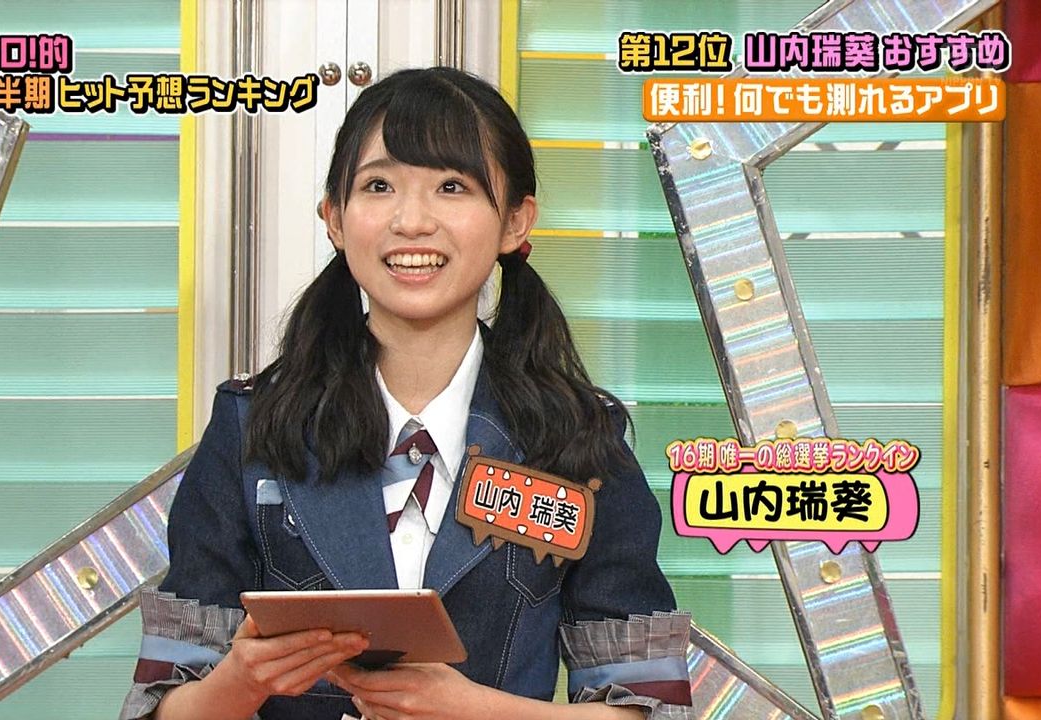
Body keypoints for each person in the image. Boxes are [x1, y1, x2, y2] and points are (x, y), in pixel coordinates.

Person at [120, 66, 692, 720]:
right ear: (334, 218)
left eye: (451, 187)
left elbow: (651, 705)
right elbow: (158, 705)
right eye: (379, 186)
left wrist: (475, 712)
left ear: (515, 221)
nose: (412, 221)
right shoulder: (253, 425)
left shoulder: (577, 436)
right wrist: (241, 681)